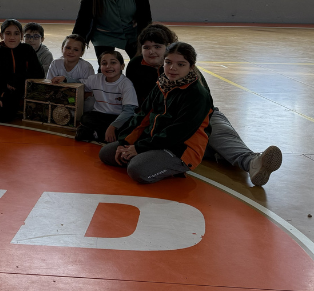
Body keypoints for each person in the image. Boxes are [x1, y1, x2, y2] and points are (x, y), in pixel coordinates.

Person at [127, 23, 282, 187]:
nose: (152, 51)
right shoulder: (136, 66)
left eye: (157, 46)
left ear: (168, 48)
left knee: (218, 133)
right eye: (147, 47)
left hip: (198, 116)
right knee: (193, 141)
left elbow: (202, 106)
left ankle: (251, 162)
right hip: (160, 121)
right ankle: (217, 155)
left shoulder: (190, 71)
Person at [100, 42, 212, 184]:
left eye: (181, 64)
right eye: (168, 62)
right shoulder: (162, 84)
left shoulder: (197, 95)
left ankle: (174, 165)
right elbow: (142, 117)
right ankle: (149, 159)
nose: (172, 68)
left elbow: (177, 132)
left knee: (136, 170)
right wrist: (125, 142)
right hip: (154, 141)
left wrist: (139, 148)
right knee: (106, 154)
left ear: (191, 67)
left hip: (180, 148)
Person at [0, 19, 45, 123]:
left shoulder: (28, 50)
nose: (12, 37)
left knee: (4, 116)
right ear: (1, 35)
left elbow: (39, 74)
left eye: (16, 34)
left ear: (21, 35)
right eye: (8, 33)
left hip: (16, 91)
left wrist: (16, 80)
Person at [75, 50, 139, 143]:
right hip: (101, 116)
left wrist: (112, 127)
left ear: (122, 66)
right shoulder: (96, 79)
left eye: (113, 62)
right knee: (86, 117)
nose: (108, 66)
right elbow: (79, 83)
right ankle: (103, 135)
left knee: (131, 124)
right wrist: (65, 79)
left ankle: (96, 133)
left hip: (119, 117)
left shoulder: (126, 84)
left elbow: (128, 111)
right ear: (100, 67)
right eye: (104, 63)